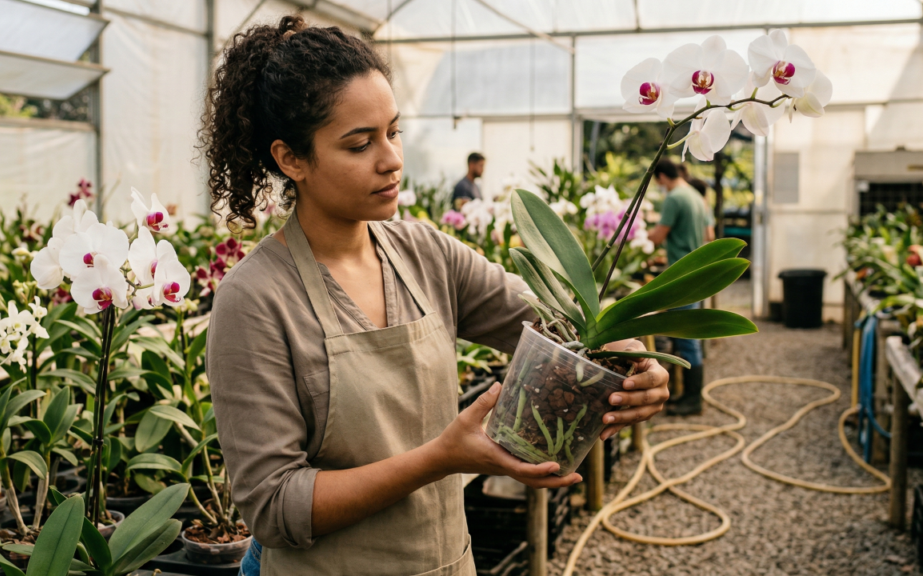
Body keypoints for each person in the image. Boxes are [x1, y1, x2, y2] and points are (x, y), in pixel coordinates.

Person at [202, 16, 670, 576]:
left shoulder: (426, 254)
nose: (391, 159)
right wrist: (441, 457)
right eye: (359, 143)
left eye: (393, 132)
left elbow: (560, 323)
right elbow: (275, 508)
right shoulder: (254, 300)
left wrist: (633, 361)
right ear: (292, 159)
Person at [648, 159, 715, 416]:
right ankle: (687, 395)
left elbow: (658, 236)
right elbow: (708, 236)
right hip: (697, 272)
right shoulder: (696, 196)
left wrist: (639, 237)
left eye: (659, 182)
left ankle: (692, 400)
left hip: (682, 276)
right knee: (688, 336)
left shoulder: (675, 198)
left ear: (662, 177)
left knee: (687, 339)